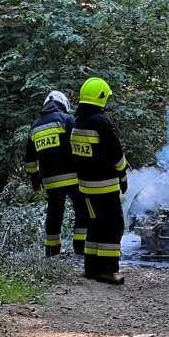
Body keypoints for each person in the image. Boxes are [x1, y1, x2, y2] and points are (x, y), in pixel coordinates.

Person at [73, 77, 129, 285]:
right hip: (105, 185)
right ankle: (107, 271)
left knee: (95, 225)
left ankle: (91, 268)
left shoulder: (77, 121)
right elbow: (115, 153)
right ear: (101, 98)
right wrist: (123, 175)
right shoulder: (100, 122)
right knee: (114, 226)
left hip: (85, 186)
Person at [24, 91, 88, 256]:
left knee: (54, 214)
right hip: (74, 178)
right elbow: (81, 141)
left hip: (51, 181)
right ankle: (80, 247)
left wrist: (35, 182)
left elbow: (30, 160)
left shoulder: (35, 127)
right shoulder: (66, 120)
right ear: (63, 104)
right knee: (82, 210)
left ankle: (51, 250)